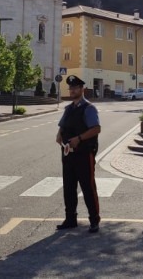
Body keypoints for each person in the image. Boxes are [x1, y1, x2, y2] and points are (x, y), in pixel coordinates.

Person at [55, 75, 102, 233]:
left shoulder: (89, 108)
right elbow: (63, 125)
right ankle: (70, 219)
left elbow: (96, 129)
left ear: (82, 89)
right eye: (71, 88)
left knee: (88, 187)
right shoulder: (69, 109)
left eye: (75, 88)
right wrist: (59, 135)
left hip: (84, 153)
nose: (72, 90)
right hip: (68, 154)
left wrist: (79, 138)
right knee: (68, 188)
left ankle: (94, 220)